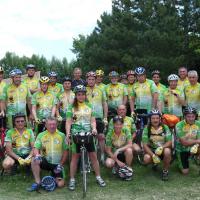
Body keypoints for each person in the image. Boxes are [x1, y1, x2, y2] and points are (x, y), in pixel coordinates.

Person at [66, 85, 106, 191]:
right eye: (79, 94)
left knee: (93, 156)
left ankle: (98, 177)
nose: (81, 96)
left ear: (85, 95)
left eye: (83, 94)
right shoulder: (71, 107)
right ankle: (72, 179)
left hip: (88, 133)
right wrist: (68, 133)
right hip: (76, 133)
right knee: (75, 157)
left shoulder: (89, 105)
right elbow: (69, 122)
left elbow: (93, 120)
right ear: (76, 96)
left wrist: (94, 129)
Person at [28, 117, 68, 191]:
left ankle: (52, 179)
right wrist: (37, 155)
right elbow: (35, 148)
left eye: (54, 124)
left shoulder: (62, 135)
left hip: (57, 164)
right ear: (46, 125)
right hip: (45, 161)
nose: (52, 126)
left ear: (57, 125)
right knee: (34, 159)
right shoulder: (41, 135)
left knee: (60, 185)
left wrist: (61, 164)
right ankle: (38, 182)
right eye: (50, 124)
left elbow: (66, 151)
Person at [142, 110, 172, 181]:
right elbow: (145, 145)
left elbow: (169, 142)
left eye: (157, 118)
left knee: (167, 151)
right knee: (146, 158)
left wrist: (162, 147)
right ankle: (154, 163)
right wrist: (153, 155)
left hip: (162, 149)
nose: (155, 120)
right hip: (152, 150)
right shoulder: (147, 128)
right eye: (153, 118)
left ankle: (165, 171)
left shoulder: (165, 127)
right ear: (150, 119)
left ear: (160, 119)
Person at [86, 71, 108, 162]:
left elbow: (104, 103)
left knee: (101, 136)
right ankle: (88, 157)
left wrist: (105, 117)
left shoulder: (100, 90)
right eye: (89, 79)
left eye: (92, 79)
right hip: (87, 117)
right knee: (87, 137)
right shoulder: (83, 90)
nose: (91, 81)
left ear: (95, 80)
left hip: (98, 116)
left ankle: (102, 154)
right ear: (86, 80)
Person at [105, 116, 133, 180]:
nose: (118, 126)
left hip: (123, 152)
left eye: (120, 124)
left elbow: (130, 144)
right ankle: (116, 166)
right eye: (116, 124)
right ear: (113, 124)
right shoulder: (109, 133)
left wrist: (119, 150)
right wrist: (117, 161)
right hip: (113, 154)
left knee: (129, 150)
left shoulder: (126, 130)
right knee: (108, 164)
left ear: (123, 124)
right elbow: (108, 151)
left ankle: (127, 168)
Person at [176, 107, 200, 175]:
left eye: (193, 116)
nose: (191, 118)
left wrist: (196, 144)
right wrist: (197, 141)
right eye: (188, 116)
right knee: (185, 172)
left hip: (195, 147)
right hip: (182, 150)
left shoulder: (198, 124)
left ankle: (195, 157)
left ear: (195, 116)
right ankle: (181, 162)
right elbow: (184, 143)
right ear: (184, 116)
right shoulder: (179, 125)